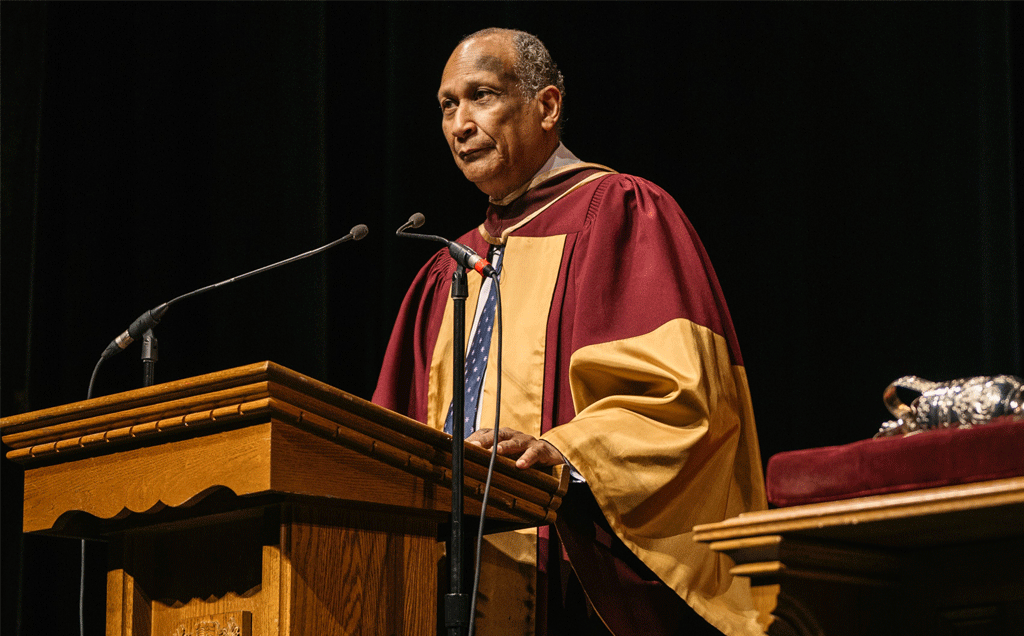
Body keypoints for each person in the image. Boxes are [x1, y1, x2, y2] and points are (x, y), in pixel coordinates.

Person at [374, 27, 767, 636]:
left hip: (574, 583)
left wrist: (567, 451)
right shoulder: (444, 271)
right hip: (452, 586)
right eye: (448, 105)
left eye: (481, 96)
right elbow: (387, 438)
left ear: (547, 106)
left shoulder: (621, 213)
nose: (459, 124)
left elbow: (685, 401)